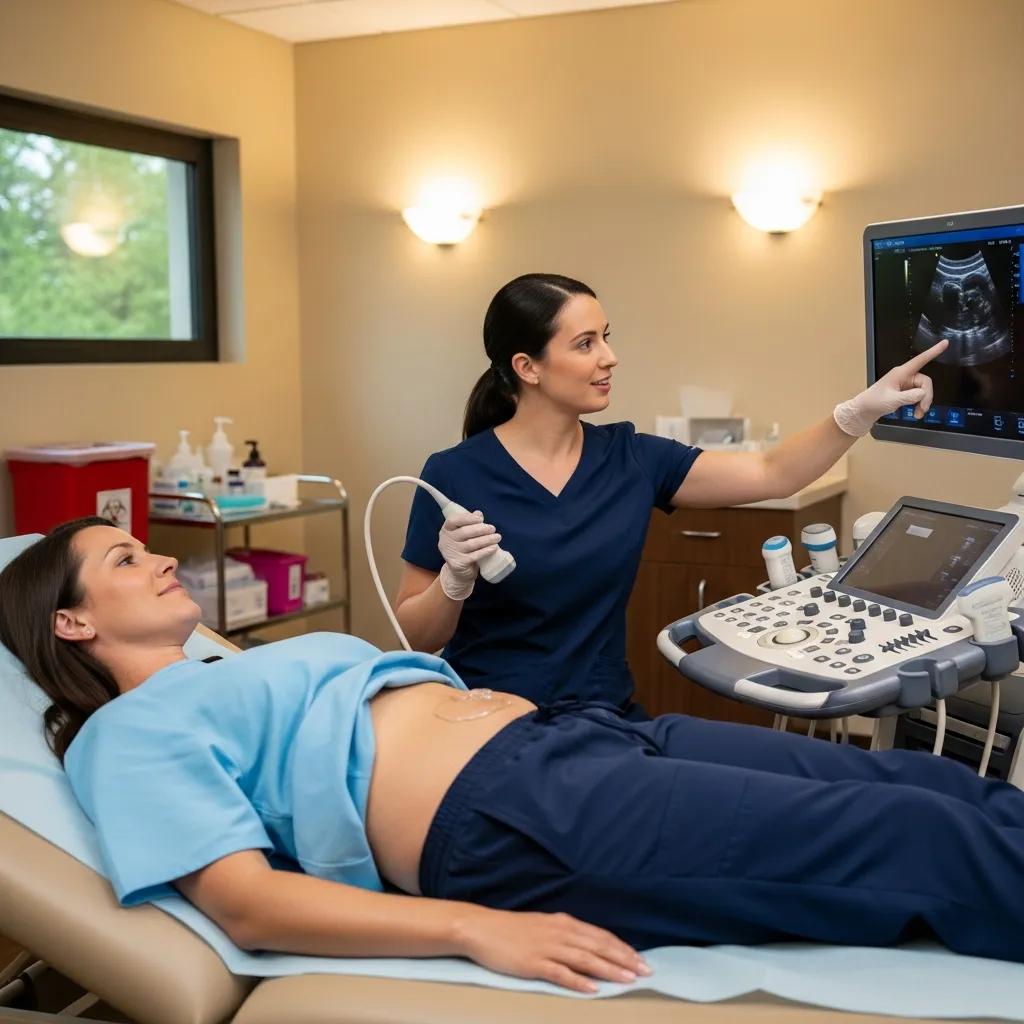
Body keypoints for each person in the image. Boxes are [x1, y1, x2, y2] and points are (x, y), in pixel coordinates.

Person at [3, 517, 1024, 995]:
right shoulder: (121, 735)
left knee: (925, 781)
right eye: (126, 559)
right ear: (75, 623)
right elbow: (244, 903)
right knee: (915, 835)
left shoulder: (220, 670)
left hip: (580, 734)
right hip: (512, 818)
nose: (163, 555)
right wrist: (473, 931)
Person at [397, 273, 948, 711]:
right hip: (485, 721)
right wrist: (453, 581)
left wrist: (858, 412)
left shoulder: (631, 458)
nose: (609, 357)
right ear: (527, 367)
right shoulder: (453, 475)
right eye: (586, 344)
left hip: (600, 717)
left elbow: (772, 473)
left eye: (606, 338)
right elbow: (417, 637)